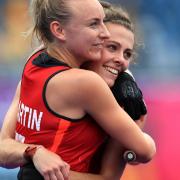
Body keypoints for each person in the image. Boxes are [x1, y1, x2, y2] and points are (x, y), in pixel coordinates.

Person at [0, 0, 156, 180]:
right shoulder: (87, 84)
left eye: (127, 54)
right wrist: (135, 106)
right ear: (59, 31)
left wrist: (34, 153)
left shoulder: (34, 63)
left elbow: (3, 147)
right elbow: (144, 152)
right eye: (94, 24)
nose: (103, 33)